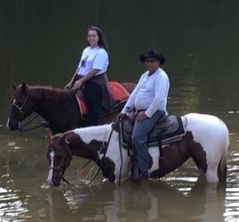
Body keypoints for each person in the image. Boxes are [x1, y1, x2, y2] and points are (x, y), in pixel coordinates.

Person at [118, 49, 170, 182]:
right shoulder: (145, 75)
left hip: (155, 111)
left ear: (158, 62)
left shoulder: (161, 77)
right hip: (139, 110)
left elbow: (158, 99)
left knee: (137, 137)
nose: (149, 63)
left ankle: (142, 170)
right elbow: (134, 94)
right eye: (147, 61)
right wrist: (125, 111)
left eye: (152, 61)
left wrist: (146, 114)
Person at [65, 26, 112, 125]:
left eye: (94, 36)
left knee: (90, 98)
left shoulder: (101, 52)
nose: (91, 38)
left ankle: (93, 124)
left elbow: (95, 70)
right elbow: (79, 67)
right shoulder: (86, 50)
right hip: (81, 78)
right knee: (65, 95)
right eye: (89, 36)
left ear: (99, 37)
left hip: (94, 81)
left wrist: (81, 81)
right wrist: (72, 81)